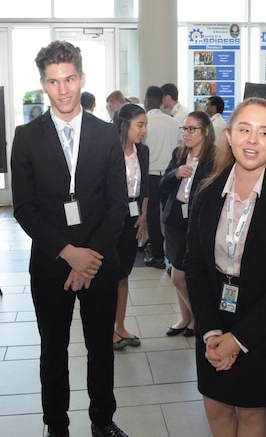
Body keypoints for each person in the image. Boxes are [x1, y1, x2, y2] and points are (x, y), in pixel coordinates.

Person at [11, 40, 129, 437]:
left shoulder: (106, 134)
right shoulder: (26, 137)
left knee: (100, 348)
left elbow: (117, 205)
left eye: (70, 78)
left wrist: (88, 257)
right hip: (50, 262)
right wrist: (67, 253)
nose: (63, 89)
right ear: (43, 84)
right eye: (53, 81)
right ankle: (56, 426)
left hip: (99, 261)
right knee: (53, 350)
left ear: (82, 79)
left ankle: (102, 420)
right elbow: (25, 208)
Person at [183, 97, 266, 437]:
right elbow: (194, 266)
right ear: (229, 135)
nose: (252, 140)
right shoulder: (207, 193)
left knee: (252, 414)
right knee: (216, 405)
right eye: (245, 130)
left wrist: (237, 340)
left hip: (264, 326)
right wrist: (211, 333)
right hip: (214, 316)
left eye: (264, 132)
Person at [160, 111, 215, 338]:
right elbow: (162, 184)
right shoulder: (179, 154)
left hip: (195, 222)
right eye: (184, 129)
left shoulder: (214, 159)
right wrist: (175, 173)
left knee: (180, 275)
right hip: (174, 220)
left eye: (192, 129)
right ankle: (187, 319)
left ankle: (201, 320)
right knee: (176, 269)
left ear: (206, 131)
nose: (186, 134)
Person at [112, 104, 149, 350]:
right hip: (110, 217)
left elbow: (145, 187)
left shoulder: (142, 151)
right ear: (125, 124)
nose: (144, 131)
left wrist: (144, 215)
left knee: (123, 274)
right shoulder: (109, 150)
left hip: (133, 216)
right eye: (140, 125)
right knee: (108, 275)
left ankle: (120, 325)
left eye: (145, 126)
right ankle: (107, 329)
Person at [142, 85, 180, 269]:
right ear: (161, 101)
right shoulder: (173, 122)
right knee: (169, 214)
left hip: (150, 174)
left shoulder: (144, 123)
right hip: (171, 174)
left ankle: (157, 255)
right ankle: (172, 255)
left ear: (147, 102)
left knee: (152, 216)